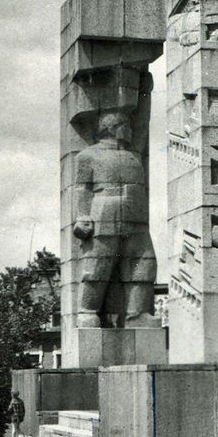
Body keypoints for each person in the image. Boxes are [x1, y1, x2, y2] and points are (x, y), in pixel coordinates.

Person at [73, 110, 157, 328]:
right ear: (110, 128)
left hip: (136, 214)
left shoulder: (134, 155)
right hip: (105, 211)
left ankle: (137, 314)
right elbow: (82, 189)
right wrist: (83, 216)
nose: (130, 130)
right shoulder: (88, 155)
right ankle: (87, 311)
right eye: (125, 126)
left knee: (145, 263)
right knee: (98, 264)